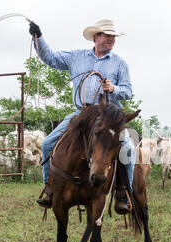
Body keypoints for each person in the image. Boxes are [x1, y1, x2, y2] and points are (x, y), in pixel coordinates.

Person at [29, 19, 135, 213]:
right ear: (96, 37)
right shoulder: (76, 57)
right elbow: (50, 58)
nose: (111, 40)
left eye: (113, 37)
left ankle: (124, 193)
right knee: (47, 144)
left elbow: (128, 91)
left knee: (127, 148)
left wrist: (113, 88)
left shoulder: (120, 64)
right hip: (82, 113)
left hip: (108, 117)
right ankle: (50, 187)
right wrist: (38, 38)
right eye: (107, 36)